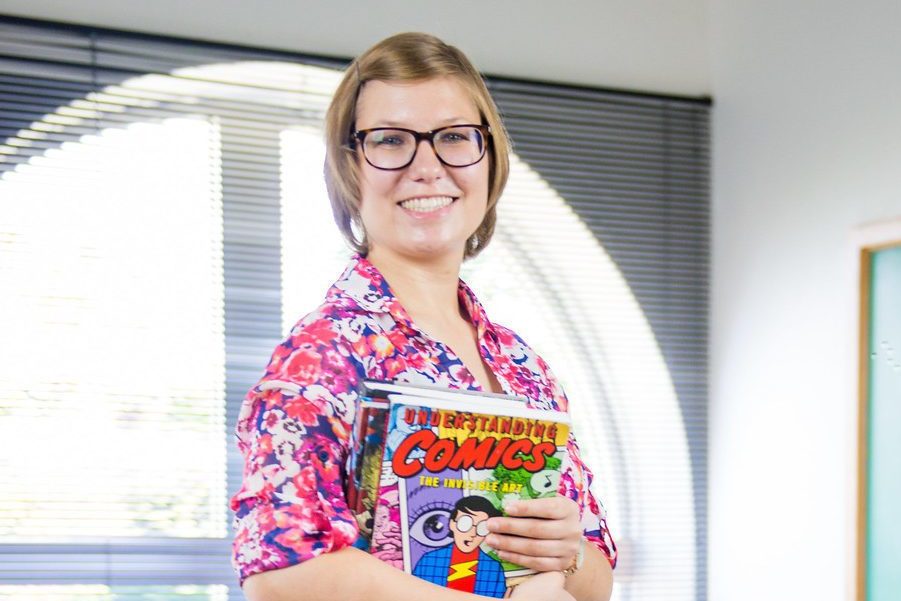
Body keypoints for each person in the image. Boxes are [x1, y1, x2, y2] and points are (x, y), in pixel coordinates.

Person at [230, 32, 616, 601]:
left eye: (455, 137)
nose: (427, 167)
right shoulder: (322, 354)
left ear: (488, 157)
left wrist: (566, 551)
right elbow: (281, 570)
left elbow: (597, 579)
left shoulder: (522, 366)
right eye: (391, 141)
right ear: (351, 166)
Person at [412, 496, 506, 597]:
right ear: (452, 524)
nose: (472, 533)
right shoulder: (429, 560)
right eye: (465, 523)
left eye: (482, 527)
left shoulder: (494, 568)